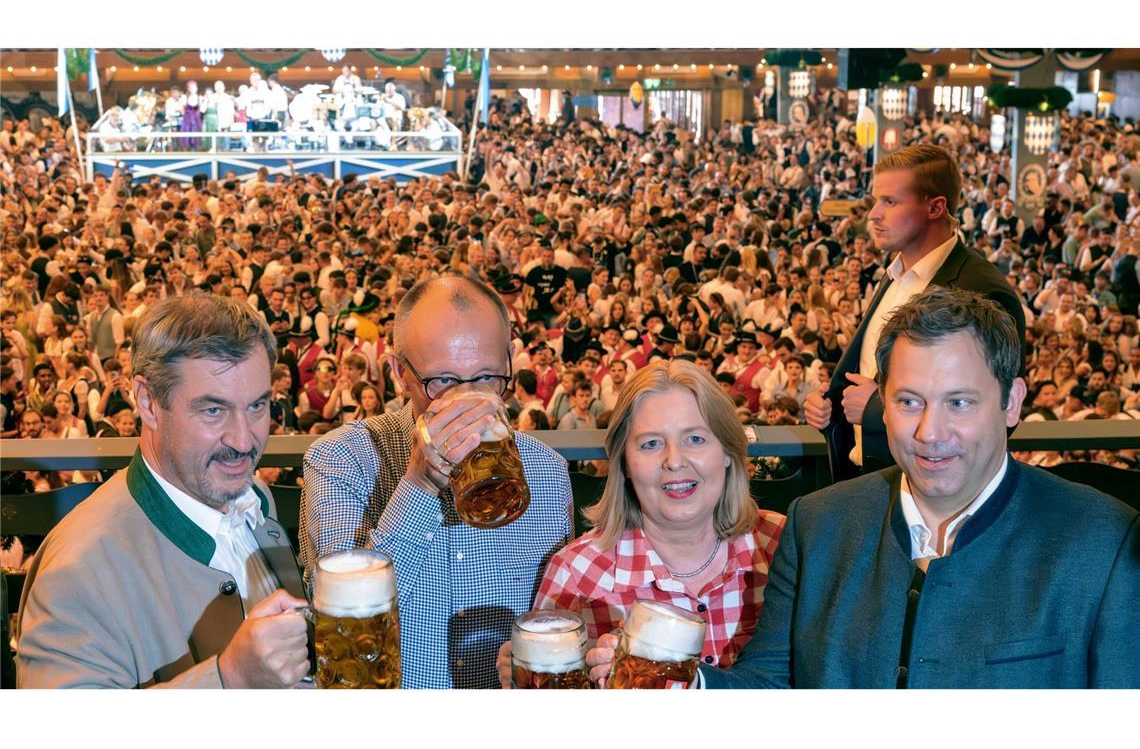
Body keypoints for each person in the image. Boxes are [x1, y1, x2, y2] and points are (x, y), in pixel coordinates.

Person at [693, 288, 1138, 688]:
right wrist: (683, 683)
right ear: (881, 404)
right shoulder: (816, 524)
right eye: (909, 402)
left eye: (959, 402)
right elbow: (768, 691)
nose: (930, 431)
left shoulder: (1104, 543)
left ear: (1012, 401)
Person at [16, 294, 310, 688]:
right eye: (213, 410)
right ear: (147, 402)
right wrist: (230, 680)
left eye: (257, 406)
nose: (244, 441)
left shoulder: (254, 498)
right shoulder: (78, 570)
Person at [302, 275, 573, 688]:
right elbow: (346, 628)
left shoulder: (548, 473)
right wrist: (419, 484)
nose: (466, 402)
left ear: (509, 361)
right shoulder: (341, 459)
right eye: (442, 381)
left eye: (486, 378)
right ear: (399, 373)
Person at [495, 360, 785, 687]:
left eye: (695, 439)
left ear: (729, 451)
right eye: (651, 444)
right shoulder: (576, 573)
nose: (674, 460)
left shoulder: (785, 544)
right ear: (625, 464)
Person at [804, 144, 1027, 482]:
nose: (873, 214)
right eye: (876, 201)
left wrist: (877, 411)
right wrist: (829, 404)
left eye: (890, 202)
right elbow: (868, 377)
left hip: (930, 489)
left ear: (936, 206)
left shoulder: (981, 290)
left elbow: (992, 416)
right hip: (870, 480)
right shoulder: (894, 275)